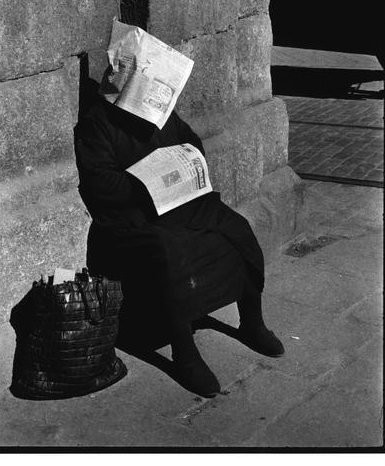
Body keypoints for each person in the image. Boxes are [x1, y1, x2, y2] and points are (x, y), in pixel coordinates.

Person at [76, 22, 284, 398]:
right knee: (171, 256)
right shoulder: (98, 122)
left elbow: (190, 140)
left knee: (236, 230)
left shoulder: (159, 113)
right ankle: (184, 351)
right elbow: (100, 183)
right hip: (133, 215)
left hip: (178, 202)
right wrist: (147, 184)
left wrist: (186, 163)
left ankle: (252, 321)